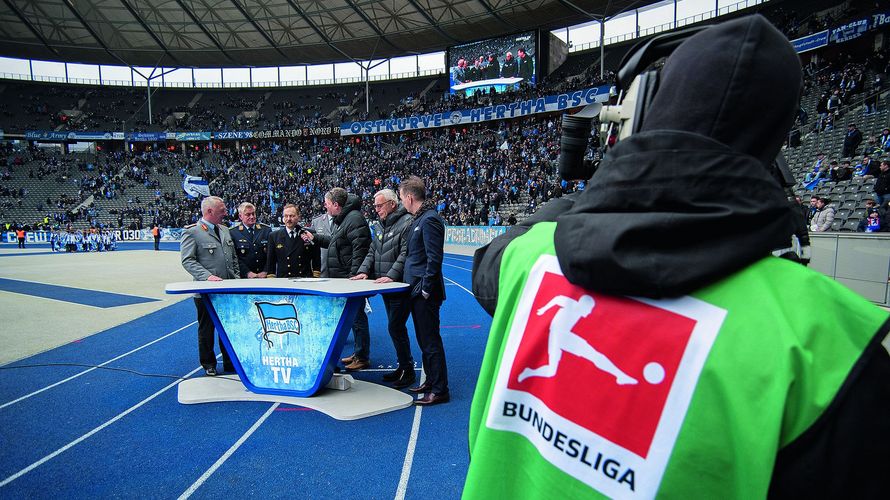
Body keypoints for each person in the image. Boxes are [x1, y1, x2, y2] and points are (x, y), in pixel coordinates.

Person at [466, 16, 889, 498]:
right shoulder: (826, 340)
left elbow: (491, 259)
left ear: (641, 111)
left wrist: (594, 196)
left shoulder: (532, 254)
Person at [350, 188, 415, 388]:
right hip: (387, 287)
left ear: (392, 204)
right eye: (375, 206)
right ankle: (403, 366)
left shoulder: (406, 223)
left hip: (398, 286)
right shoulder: (379, 225)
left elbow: (405, 253)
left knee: (395, 327)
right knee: (395, 327)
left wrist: (391, 276)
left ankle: (408, 370)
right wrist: (363, 271)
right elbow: (372, 252)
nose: (376, 209)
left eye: (380, 205)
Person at [302, 188, 371, 370]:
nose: (325, 207)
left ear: (335, 205)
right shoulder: (346, 219)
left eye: (327, 204)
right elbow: (335, 242)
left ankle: (362, 356)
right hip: (343, 278)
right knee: (354, 318)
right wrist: (315, 238)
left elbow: (360, 249)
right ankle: (358, 352)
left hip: (349, 279)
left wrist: (354, 276)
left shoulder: (354, 218)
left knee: (357, 318)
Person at [399, 176, 449, 406]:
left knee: (430, 341)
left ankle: (439, 389)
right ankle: (430, 381)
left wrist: (426, 289)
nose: (401, 203)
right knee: (423, 339)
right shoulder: (420, 219)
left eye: (401, 198)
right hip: (416, 290)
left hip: (424, 292)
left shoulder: (429, 220)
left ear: (409, 197)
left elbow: (434, 258)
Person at [180, 196, 240, 377]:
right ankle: (209, 363)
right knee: (207, 330)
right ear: (209, 212)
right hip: (206, 292)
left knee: (228, 328)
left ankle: (230, 362)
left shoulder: (224, 230)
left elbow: (232, 259)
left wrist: (236, 279)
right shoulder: (192, 232)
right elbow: (187, 260)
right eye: (222, 210)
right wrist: (207, 277)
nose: (226, 212)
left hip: (227, 290)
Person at [265, 204, 313, 278]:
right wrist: (271, 279)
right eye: (286, 216)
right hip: (284, 280)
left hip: (304, 279)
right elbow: (271, 262)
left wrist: (316, 275)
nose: (288, 219)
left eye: (292, 216)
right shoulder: (274, 236)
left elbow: (316, 258)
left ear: (298, 217)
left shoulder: (308, 234)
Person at [229, 202, 272, 278]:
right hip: (244, 277)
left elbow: (271, 254)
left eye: (253, 214)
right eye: (248, 214)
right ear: (240, 216)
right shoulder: (233, 233)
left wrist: (265, 271)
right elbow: (235, 257)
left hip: (265, 276)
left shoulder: (266, 230)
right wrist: (247, 273)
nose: (252, 217)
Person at [309, 208, 333, 278]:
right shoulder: (316, 221)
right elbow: (312, 246)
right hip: (321, 268)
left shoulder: (345, 220)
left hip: (340, 269)